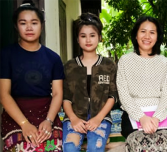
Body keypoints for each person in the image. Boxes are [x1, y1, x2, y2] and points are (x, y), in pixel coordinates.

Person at [0, 0, 64, 151]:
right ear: (16, 26)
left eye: (34, 23)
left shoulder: (53, 58)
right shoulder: (6, 55)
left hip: (46, 113)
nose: (29, 27)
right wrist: (24, 124)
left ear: (41, 25)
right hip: (16, 114)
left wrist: (48, 120)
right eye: (23, 23)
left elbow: (57, 93)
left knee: (51, 147)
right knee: (25, 147)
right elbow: (4, 94)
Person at [116, 16, 167, 151]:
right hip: (132, 116)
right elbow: (123, 94)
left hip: (160, 117)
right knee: (141, 145)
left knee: (161, 144)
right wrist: (141, 118)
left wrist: (157, 118)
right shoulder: (125, 61)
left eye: (152, 32)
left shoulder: (164, 62)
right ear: (136, 35)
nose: (147, 36)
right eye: (143, 31)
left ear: (157, 37)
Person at [62, 13, 118, 151]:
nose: (88, 40)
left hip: (101, 117)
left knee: (95, 147)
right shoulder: (70, 66)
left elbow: (113, 96)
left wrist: (98, 118)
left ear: (99, 37)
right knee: (69, 148)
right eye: (83, 36)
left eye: (92, 35)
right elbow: (66, 98)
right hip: (74, 117)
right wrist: (74, 119)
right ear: (77, 39)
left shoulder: (108, 65)